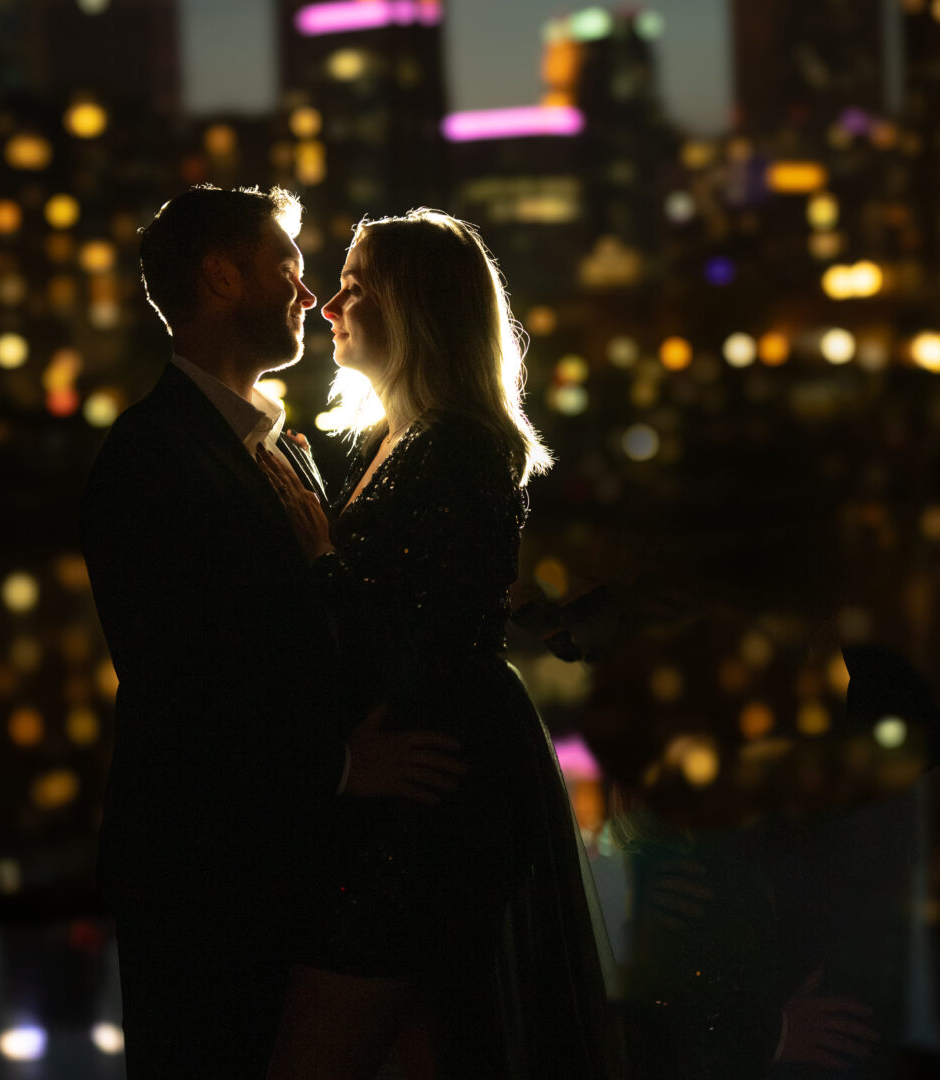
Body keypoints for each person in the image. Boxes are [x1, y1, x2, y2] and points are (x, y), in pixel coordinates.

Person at [78, 186, 466, 1078]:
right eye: (288, 269)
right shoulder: (150, 459)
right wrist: (340, 769)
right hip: (205, 882)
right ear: (220, 279)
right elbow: (179, 692)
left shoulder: (281, 448)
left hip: (297, 869)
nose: (307, 294)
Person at [257, 209, 613, 1079]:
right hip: (405, 784)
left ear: (414, 311)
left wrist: (320, 562)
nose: (328, 305)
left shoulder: (459, 446)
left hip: (429, 796)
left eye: (356, 288)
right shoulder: (391, 440)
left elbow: (427, 634)